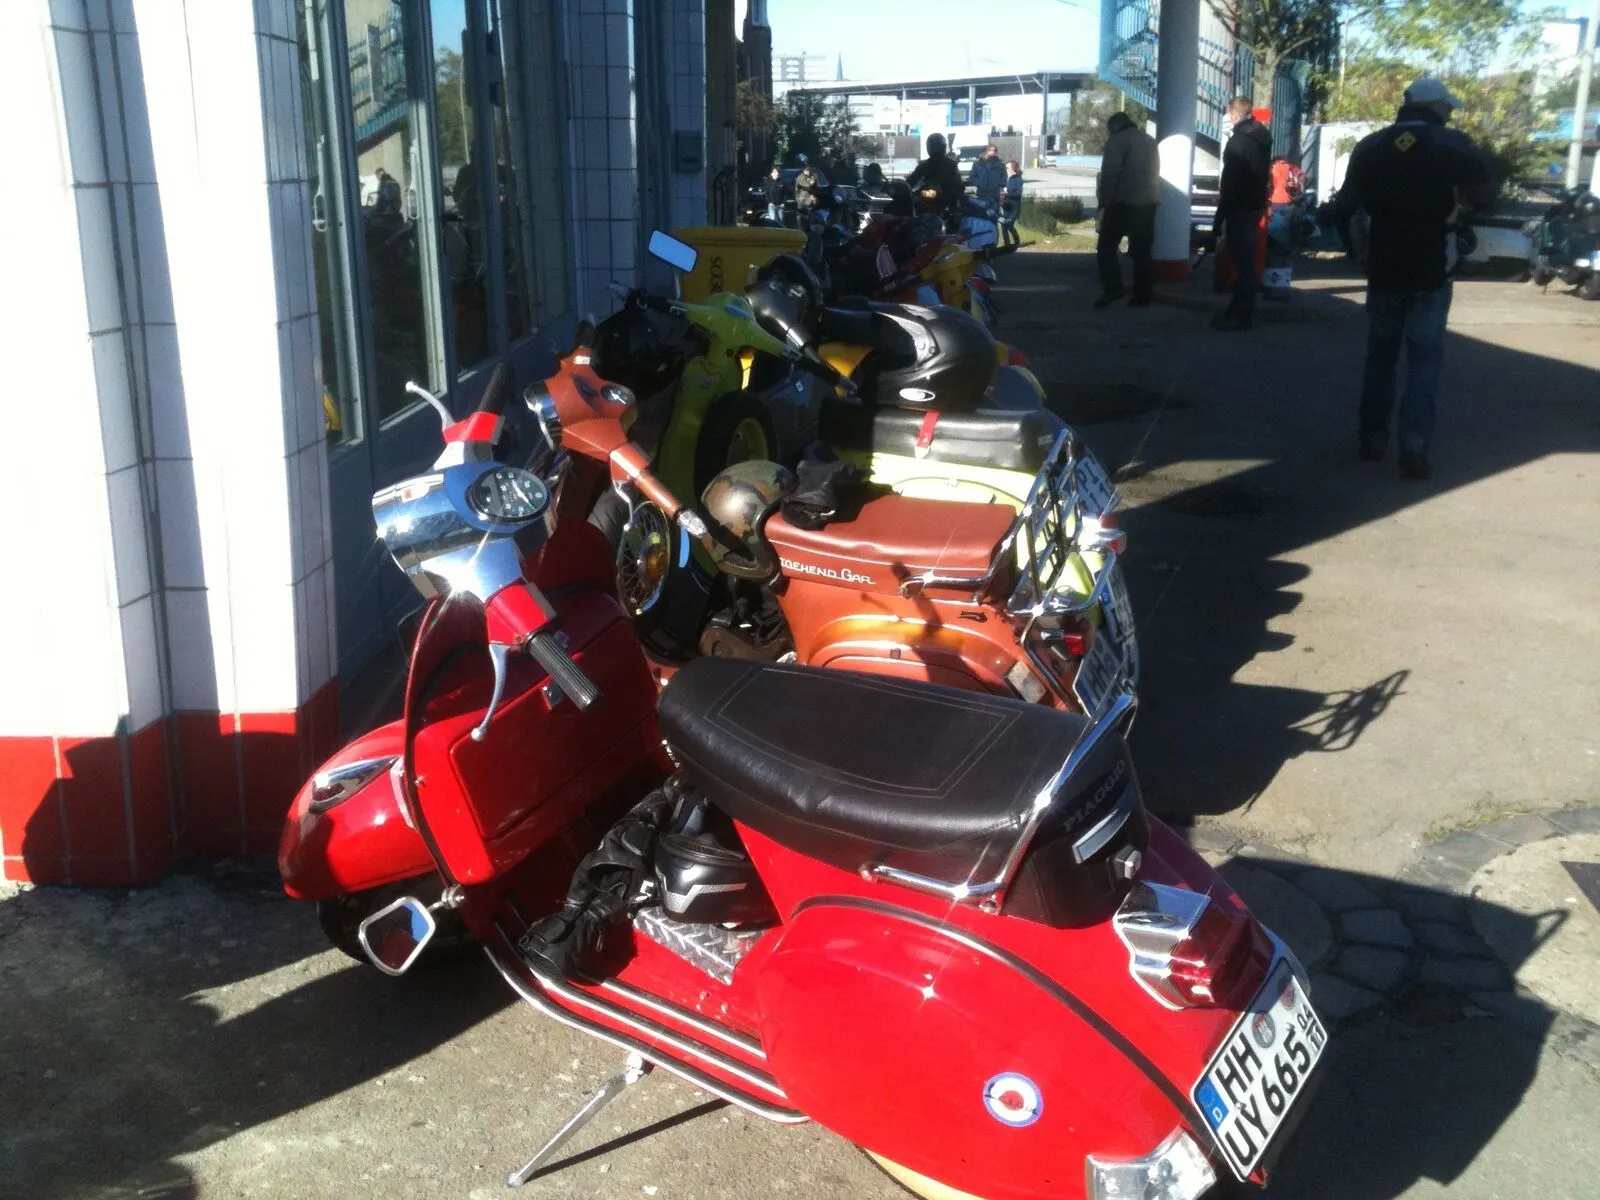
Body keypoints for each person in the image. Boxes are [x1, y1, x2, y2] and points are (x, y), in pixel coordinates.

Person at [1339, 78, 1493, 480]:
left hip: (1383, 266)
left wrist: (1356, 251)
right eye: (1448, 107)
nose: (1451, 113)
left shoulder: (1370, 146)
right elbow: (1485, 194)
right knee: (1424, 360)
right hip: (1432, 267)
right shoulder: (1454, 144)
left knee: (1381, 356)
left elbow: (1347, 203)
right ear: (1435, 107)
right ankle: (1414, 445)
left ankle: (1372, 438)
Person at [1212, 97, 1273, 331]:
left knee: (1242, 262)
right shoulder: (1262, 136)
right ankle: (1238, 308)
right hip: (1255, 204)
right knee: (1246, 260)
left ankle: (1242, 312)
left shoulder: (1238, 142)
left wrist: (1219, 219)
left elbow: (1230, 183)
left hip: (1239, 206)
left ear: (1234, 114)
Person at [1094, 112, 1161, 307]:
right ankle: (1143, 295)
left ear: (1114, 127)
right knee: (1142, 251)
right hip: (1149, 202)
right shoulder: (1149, 140)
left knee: (1106, 247)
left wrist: (1103, 204)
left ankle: (1113, 288)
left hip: (1123, 202)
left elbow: (1110, 174)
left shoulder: (1117, 141)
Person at [906, 132, 965, 217]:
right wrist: (904, 188)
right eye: (934, 147)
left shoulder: (951, 165)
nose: (936, 150)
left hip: (945, 202)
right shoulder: (924, 165)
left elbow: (958, 185)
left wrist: (955, 194)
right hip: (927, 201)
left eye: (937, 147)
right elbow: (911, 181)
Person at [969, 144, 1006, 212]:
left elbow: (1004, 176)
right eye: (991, 150)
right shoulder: (977, 164)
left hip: (995, 193)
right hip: (982, 192)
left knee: (994, 212)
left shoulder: (1000, 163)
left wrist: (1000, 185)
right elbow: (972, 177)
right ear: (986, 151)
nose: (993, 152)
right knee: (982, 211)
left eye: (995, 150)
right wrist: (979, 183)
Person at [1000, 160, 1023, 247]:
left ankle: (1017, 242)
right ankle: (1007, 244)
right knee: (1003, 225)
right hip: (1006, 206)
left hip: (1014, 207)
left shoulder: (1018, 179)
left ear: (1013, 168)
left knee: (1009, 225)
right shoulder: (1006, 178)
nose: (1006, 169)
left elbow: (1018, 194)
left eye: (1007, 168)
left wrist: (1007, 193)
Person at [792, 155, 820, 228]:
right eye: (806, 169)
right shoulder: (799, 176)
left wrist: (814, 197)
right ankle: (800, 229)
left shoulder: (813, 176)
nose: (807, 170)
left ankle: (810, 229)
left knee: (811, 218)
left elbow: (817, 187)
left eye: (808, 169)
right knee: (800, 218)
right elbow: (797, 188)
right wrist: (797, 198)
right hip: (801, 200)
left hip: (810, 200)